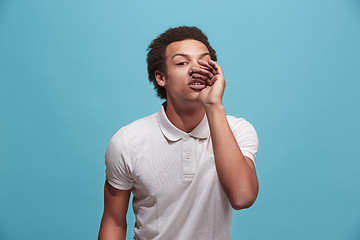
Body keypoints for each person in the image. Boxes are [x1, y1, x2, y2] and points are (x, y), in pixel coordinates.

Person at [98, 26, 259, 240]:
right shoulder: (127, 141)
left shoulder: (237, 130)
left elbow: (242, 197)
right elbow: (114, 221)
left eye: (204, 62)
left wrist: (214, 106)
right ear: (161, 77)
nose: (196, 69)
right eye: (182, 63)